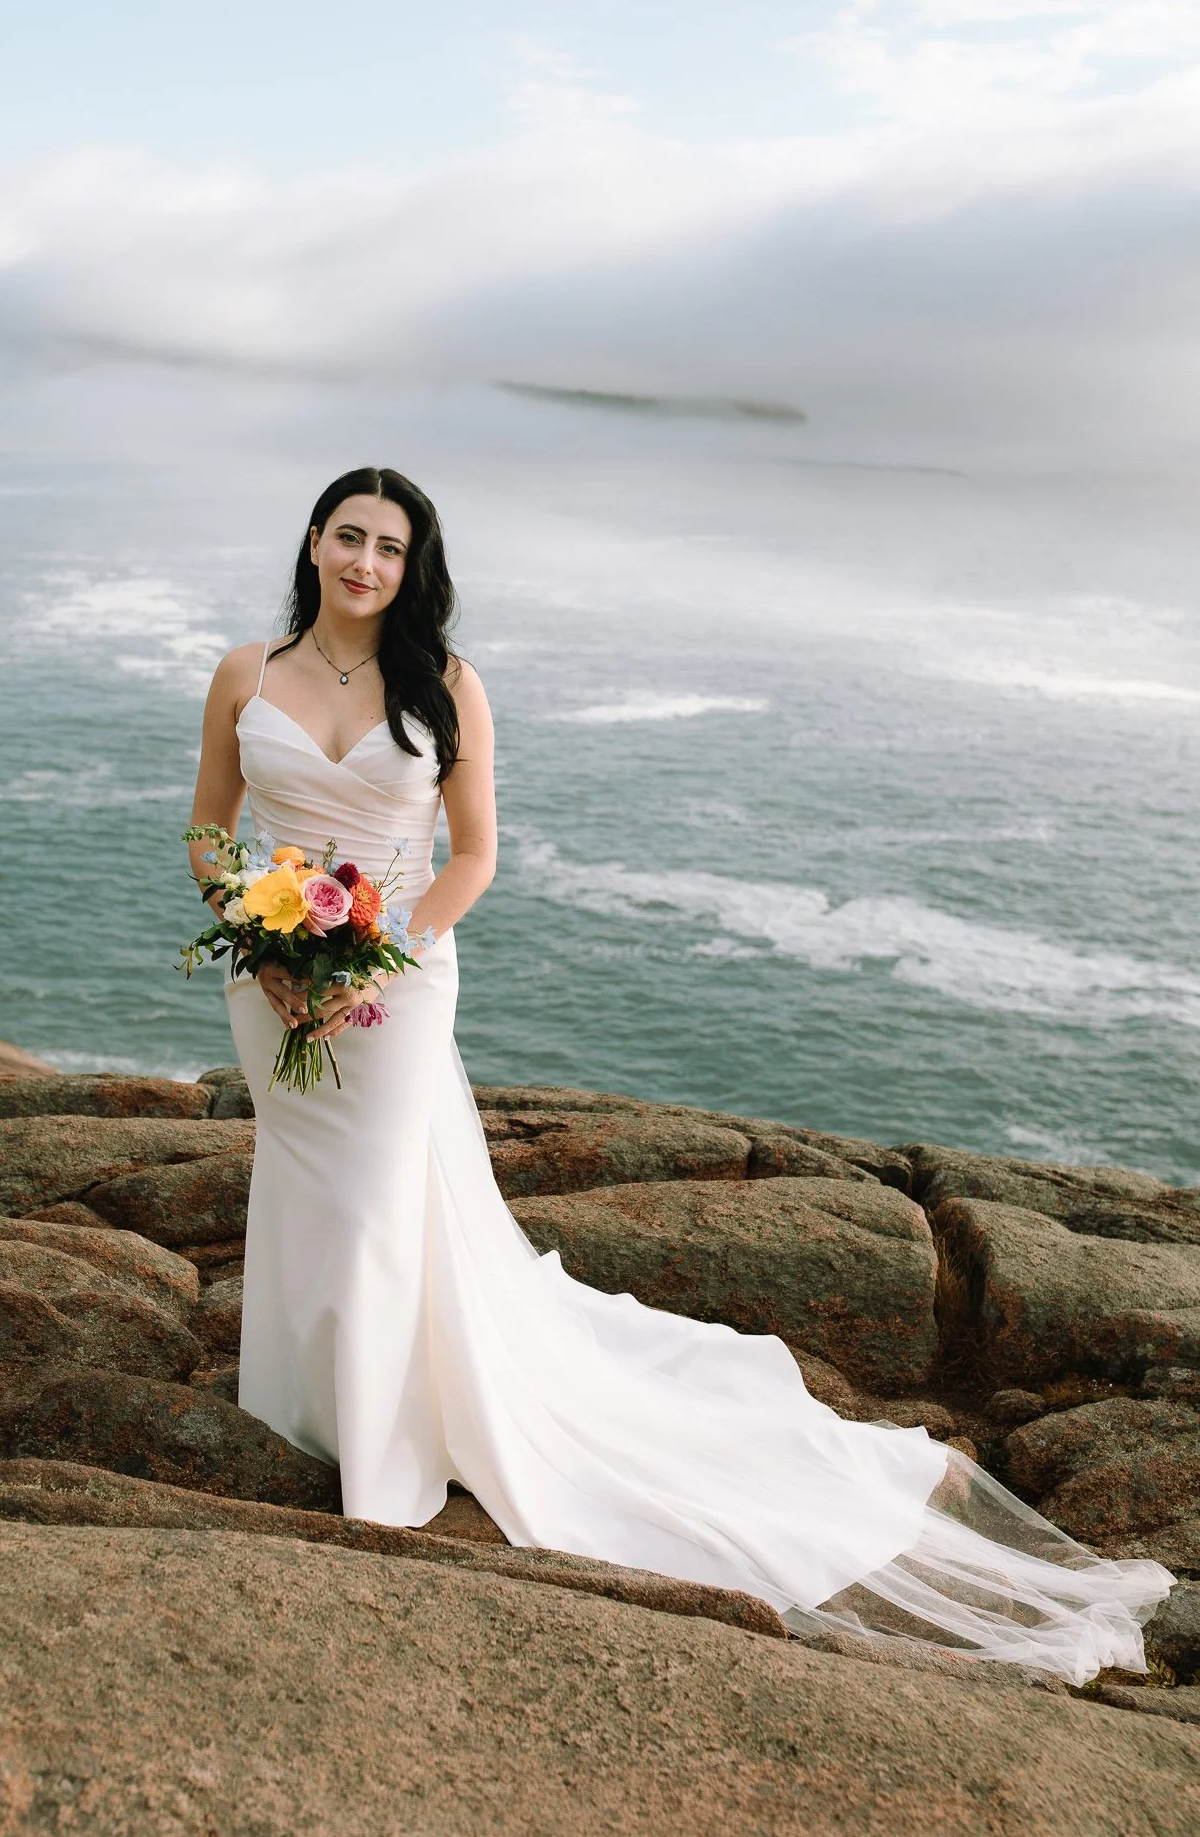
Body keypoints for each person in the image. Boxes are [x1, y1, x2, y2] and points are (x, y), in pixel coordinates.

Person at [188, 466, 1172, 1684]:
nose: (366, 563)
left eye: (391, 545)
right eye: (350, 536)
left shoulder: (446, 687)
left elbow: (477, 854)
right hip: (270, 975)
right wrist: (259, 929)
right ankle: (301, 1407)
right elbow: (206, 828)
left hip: (396, 976)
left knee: (383, 1200)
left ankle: (386, 1453)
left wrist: (371, 956)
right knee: (305, 1189)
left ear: (413, 564)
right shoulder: (247, 672)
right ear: (317, 540)